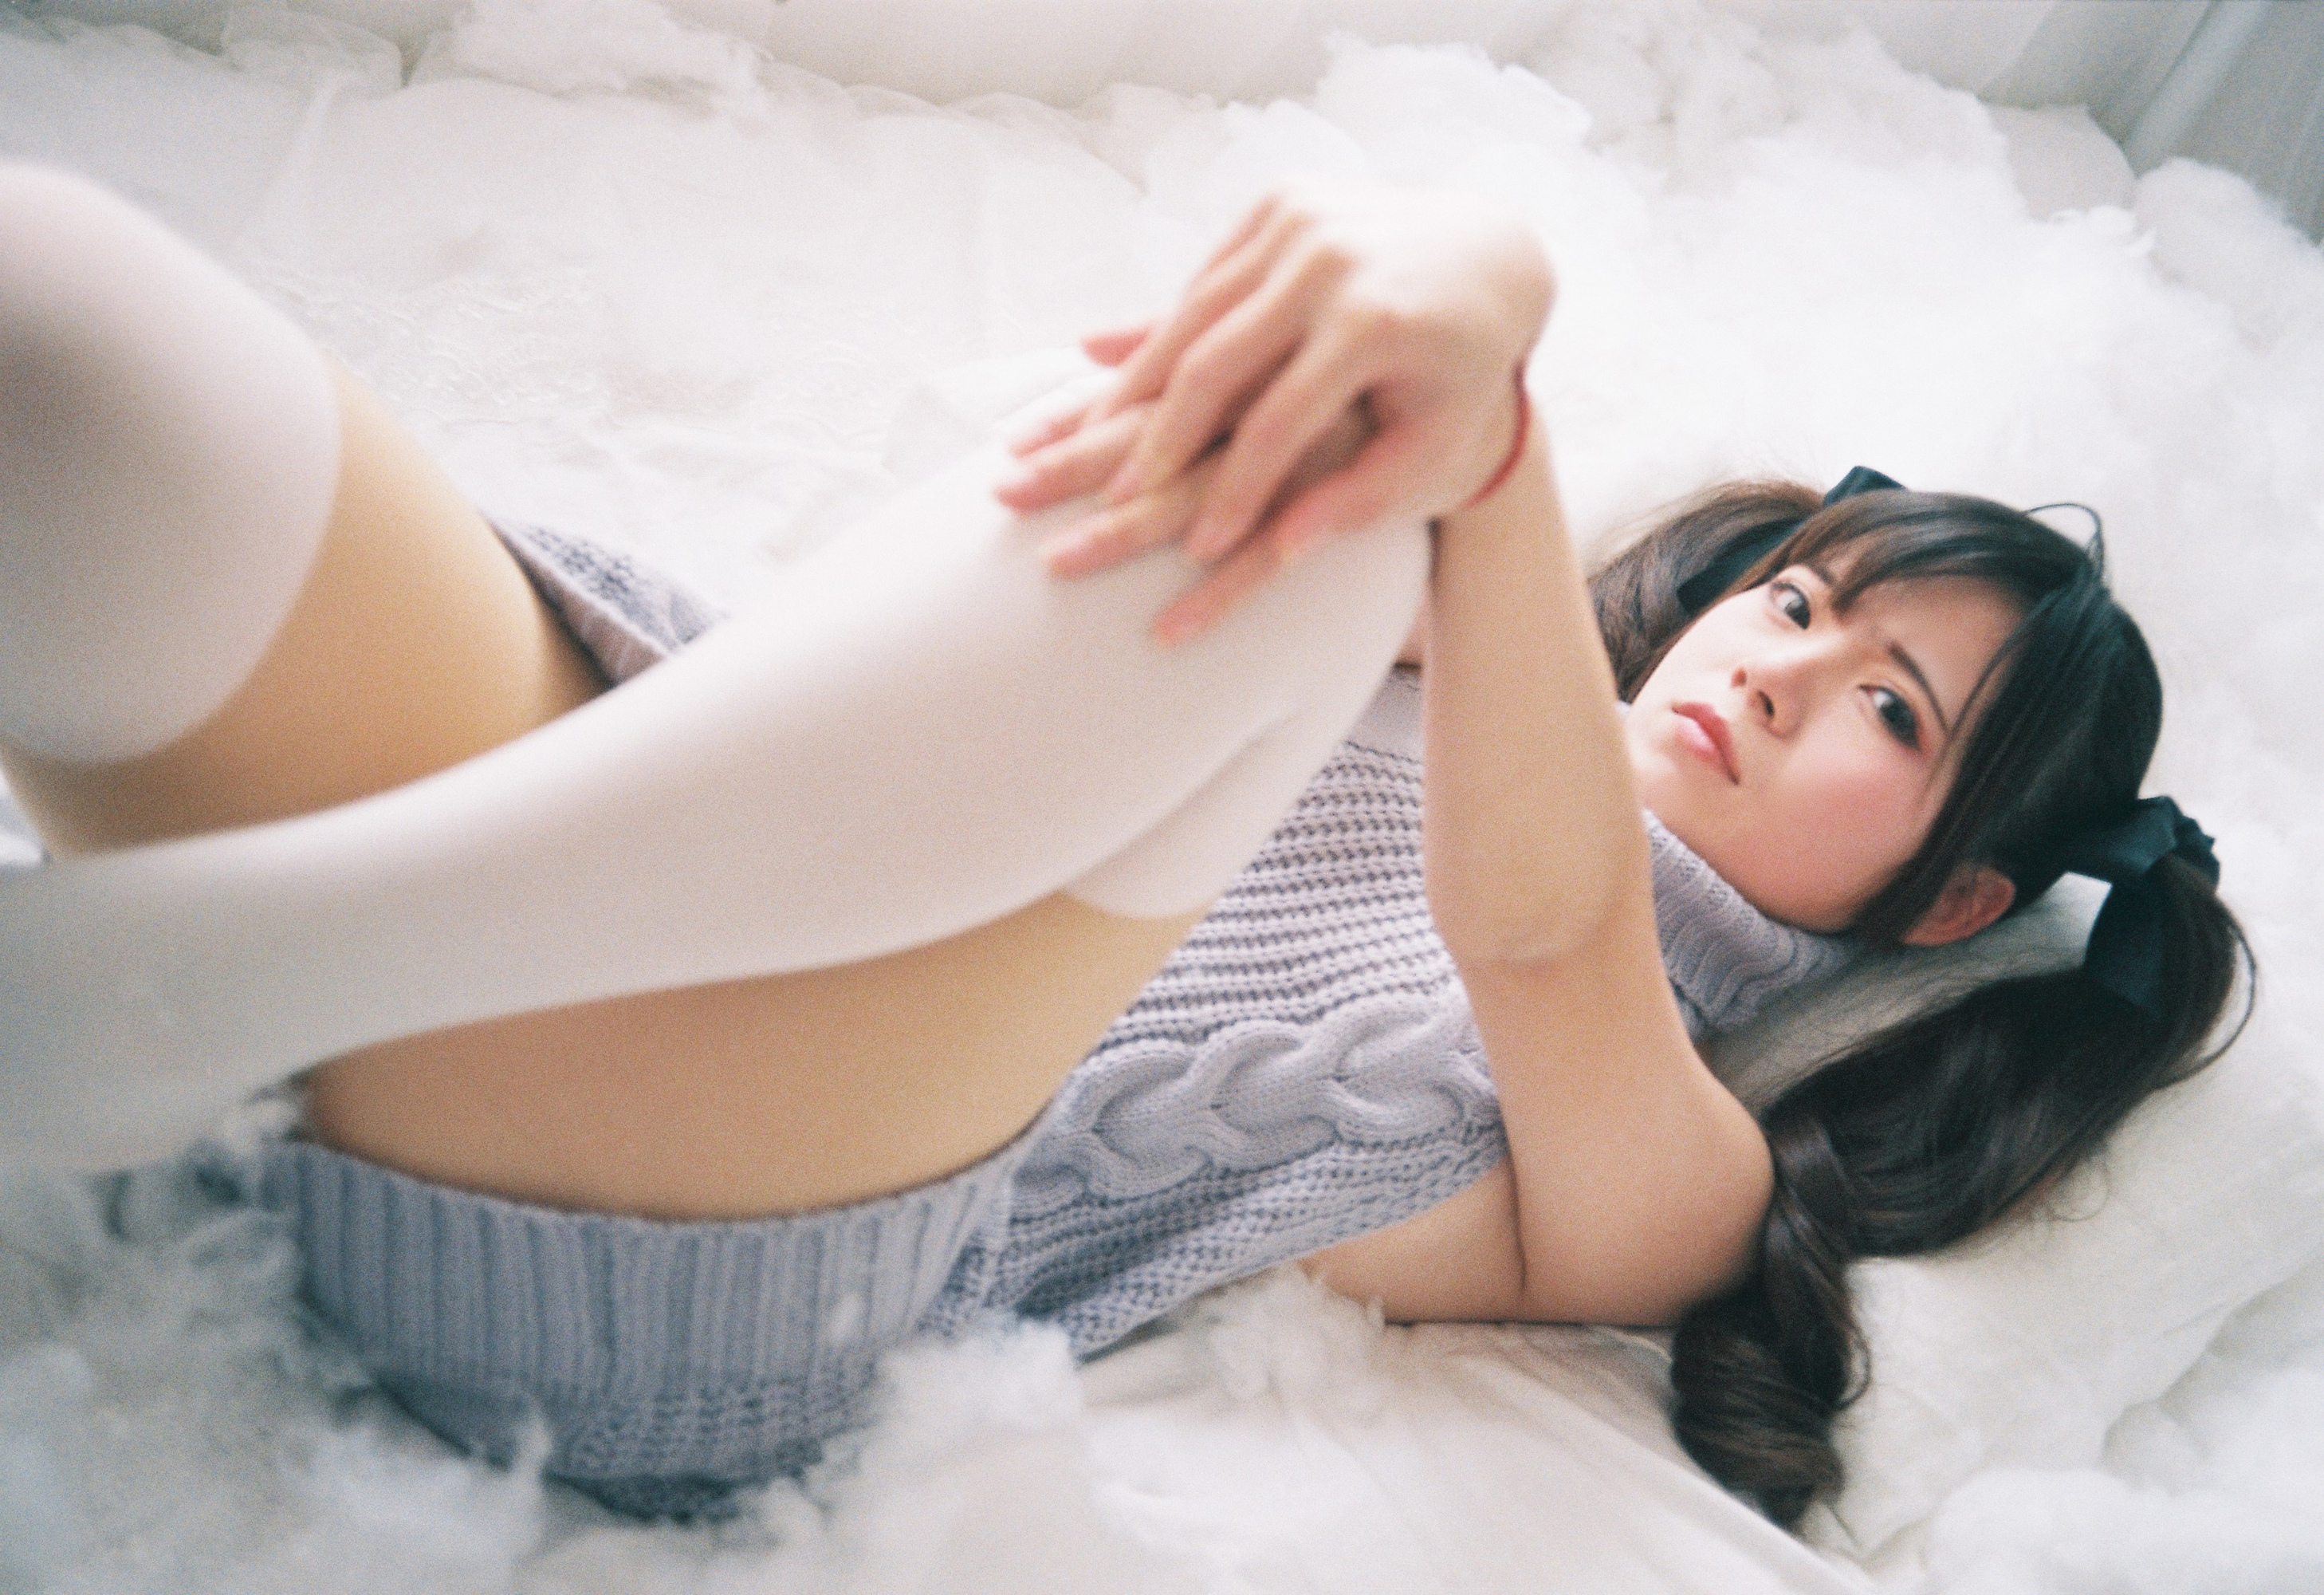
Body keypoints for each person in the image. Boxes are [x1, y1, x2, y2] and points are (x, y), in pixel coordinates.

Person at [0, 166, 2248, 1528]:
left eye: (1888, 709)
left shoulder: (1682, 1177)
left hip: (694, 1262)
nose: (1781, 668)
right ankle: (226, 967)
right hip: (580, 834)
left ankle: (203, 979)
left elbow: (1542, 921)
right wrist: (1456, 318)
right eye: (1804, 599)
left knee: (1318, 550)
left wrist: (1487, 340)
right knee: (63, 321)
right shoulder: (1418, 651)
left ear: (1958, 901)